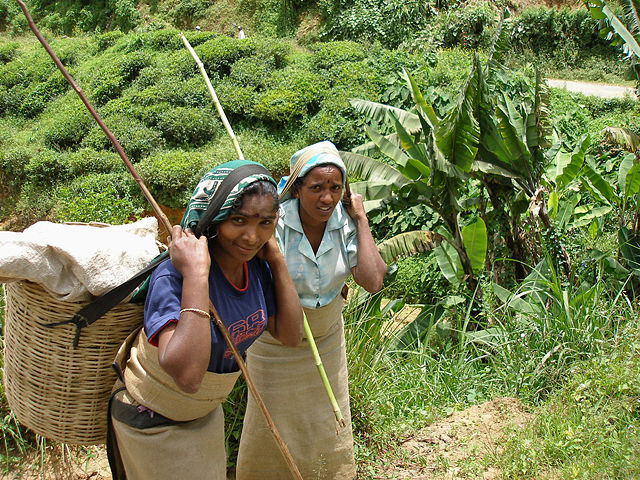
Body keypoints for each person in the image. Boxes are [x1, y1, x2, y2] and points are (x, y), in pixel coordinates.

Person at [106, 160, 303, 480]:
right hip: (154, 423)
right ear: (215, 217)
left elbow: (290, 334)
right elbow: (188, 377)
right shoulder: (173, 275)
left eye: (266, 223)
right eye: (238, 220)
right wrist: (197, 273)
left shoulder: (255, 266)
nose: (252, 237)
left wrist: (278, 262)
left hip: (204, 415)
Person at [236, 141, 387, 479]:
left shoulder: (345, 222)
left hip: (327, 338)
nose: (327, 198)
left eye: (335, 188)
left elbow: (373, 280)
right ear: (297, 187)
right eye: (317, 187)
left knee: (325, 424)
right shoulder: (273, 224)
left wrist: (361, 219)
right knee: (271, 425)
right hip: (274, 343)